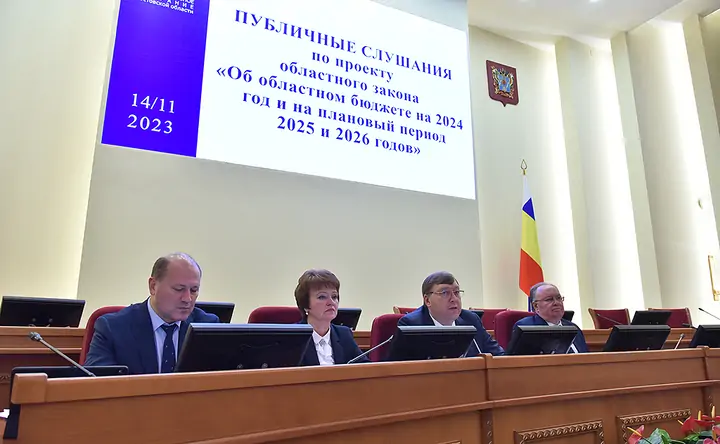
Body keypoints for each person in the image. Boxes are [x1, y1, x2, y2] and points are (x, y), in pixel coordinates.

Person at [85, 253, 220, 374]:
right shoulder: (113, 328)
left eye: (194, 290)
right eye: (179, 289)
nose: (187, 299)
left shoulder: (207, 326)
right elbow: (96, 384)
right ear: (153, 286)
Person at [398, 271, 504, 356]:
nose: (454, 299)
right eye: (445, 293)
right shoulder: (411, 325)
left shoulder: (471, 320)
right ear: (427, 300)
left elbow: (499, 357)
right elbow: (397, 368)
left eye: (456, 292)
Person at [294, 269, 368, 365]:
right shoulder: (294, 337)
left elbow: (365, 367)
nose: (331, 302)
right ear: (305, 304)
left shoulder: (343, 334)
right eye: (322, 297)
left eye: (334, 296)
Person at [513, 282, 588, 353]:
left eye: (559, 298)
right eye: (549, 299)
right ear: (536, 306)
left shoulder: (573, 327)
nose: (556, 303)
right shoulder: (527, 328)